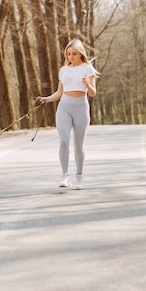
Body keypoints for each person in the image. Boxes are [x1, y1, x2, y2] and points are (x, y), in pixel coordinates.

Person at [39, 39, 99, 190]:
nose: (71, 56)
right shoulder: (64, 70)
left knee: (78, 146)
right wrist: (46, 99)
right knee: (64, 140)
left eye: (74, 54)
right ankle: (65, 176)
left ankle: (79, 176)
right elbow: (59, 93)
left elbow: (92, 93)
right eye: (68, 54)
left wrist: (88, 85)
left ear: (80, 54)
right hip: (64, 107)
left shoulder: (88, 68)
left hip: (81, 108)